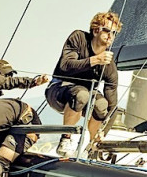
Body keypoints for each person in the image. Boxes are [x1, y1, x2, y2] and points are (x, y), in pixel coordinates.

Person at [46, 11, 120, 152]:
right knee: (82, 94)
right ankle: (65, 139)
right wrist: (95, 60)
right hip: (59, 89)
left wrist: (104, 131)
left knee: (102, 104)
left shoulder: (109, 66)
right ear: (96, 30)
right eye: (106, 30)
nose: (110, 35)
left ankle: (92, 146)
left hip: (86, 96)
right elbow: (65, 65)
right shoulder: (79, 38)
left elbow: (112, 104)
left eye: (114, 33)